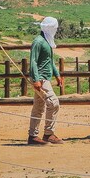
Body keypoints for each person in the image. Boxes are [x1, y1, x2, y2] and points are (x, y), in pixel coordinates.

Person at [27, 16, 64, 145]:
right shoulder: (38, 41)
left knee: (38, 107)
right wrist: (36, 80)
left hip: (44, 78)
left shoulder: (46, 41)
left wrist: (57, 74)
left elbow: (50, 60)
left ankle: (33, 136)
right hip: (41, 79)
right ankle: (48, 134)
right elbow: (33, 61)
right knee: (53, 103)